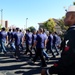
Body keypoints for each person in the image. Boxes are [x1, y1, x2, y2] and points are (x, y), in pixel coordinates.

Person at [41, 5, 75, 75]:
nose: (64, 19)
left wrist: (48, 71)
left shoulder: (72, 33)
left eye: (66, 17)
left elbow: (67, 60)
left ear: (72, 17)